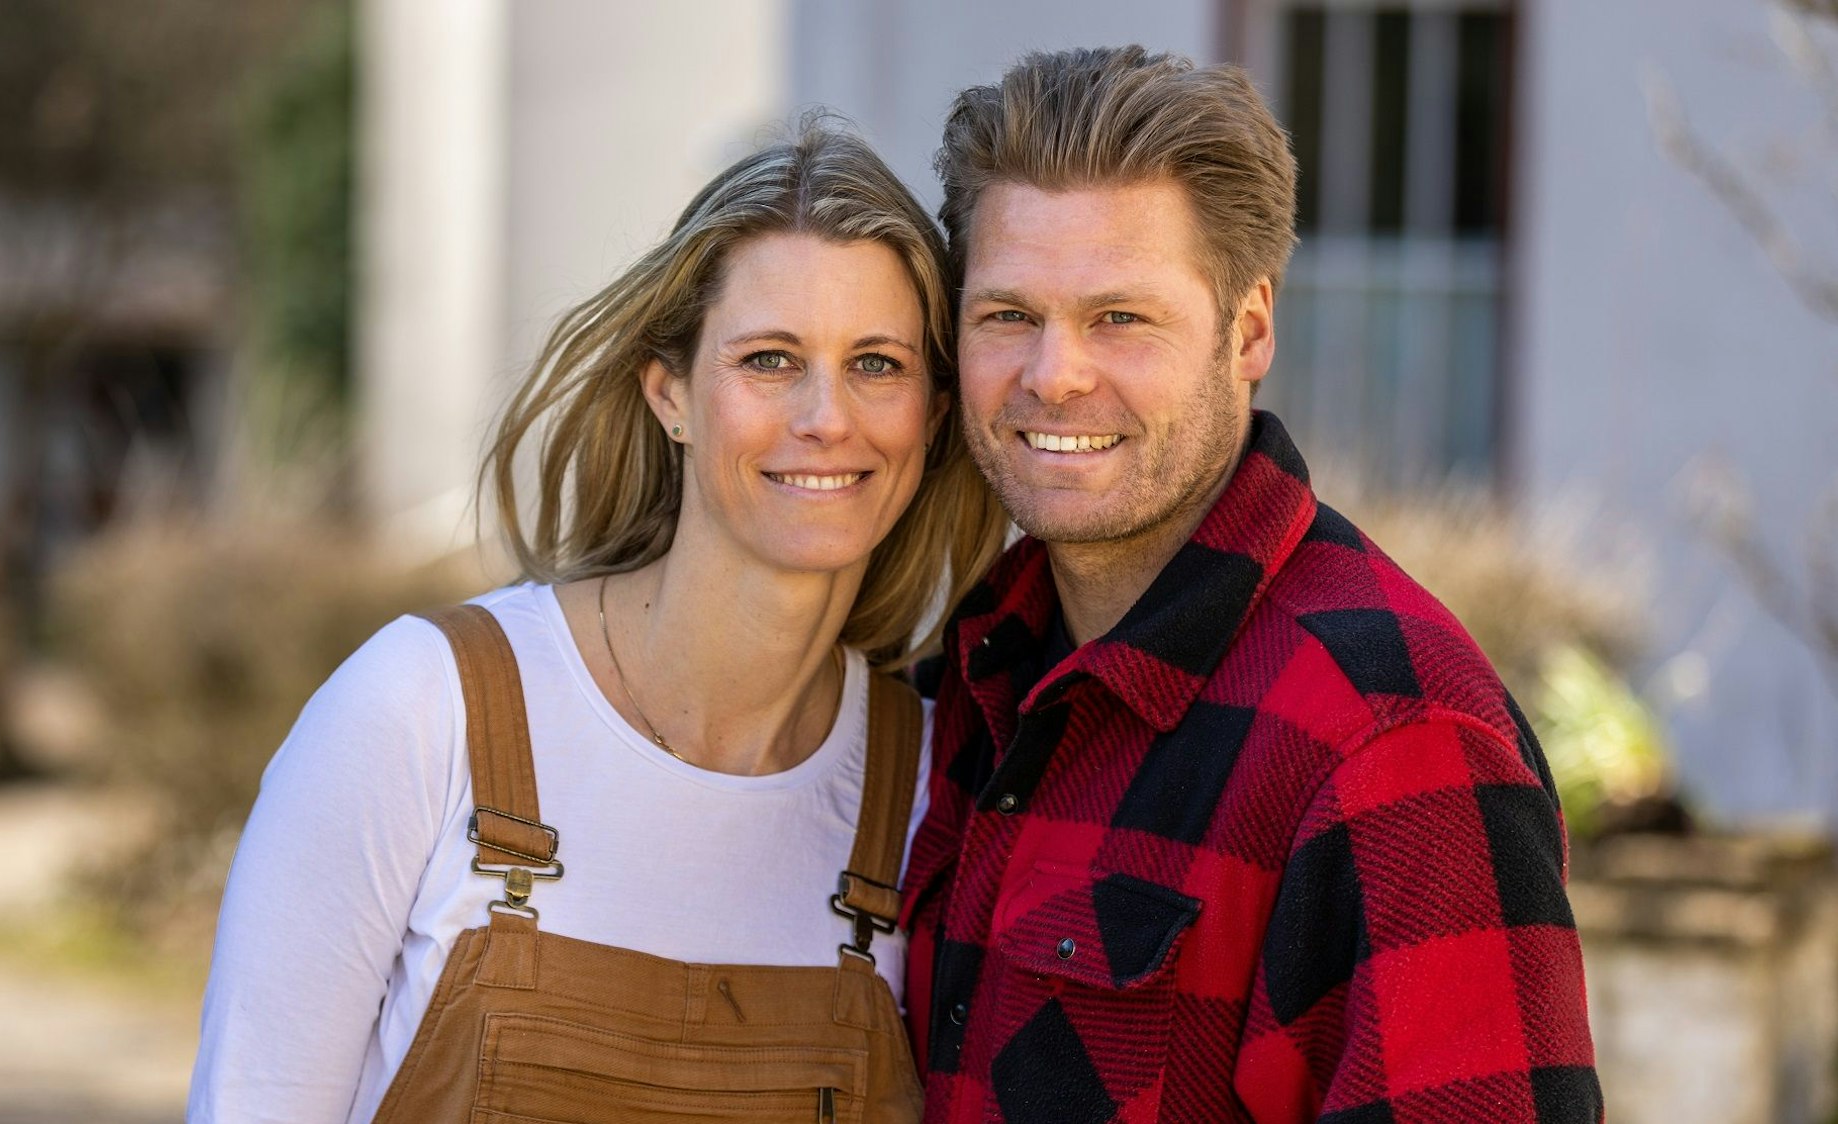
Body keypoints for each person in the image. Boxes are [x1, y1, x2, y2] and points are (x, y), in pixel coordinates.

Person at [189, 117, 1006, 1123]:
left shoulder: (928, 786)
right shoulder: (422, 712)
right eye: (769, 358)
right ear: (669, 393)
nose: (825, 417)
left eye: (876, 362)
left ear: (931, 411)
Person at [899, 47, 1602, 1123]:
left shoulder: (1392, 737)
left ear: (1250, 331)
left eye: (1120, 317)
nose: (1053, 374)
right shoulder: (973, 671)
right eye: (1008, 315)